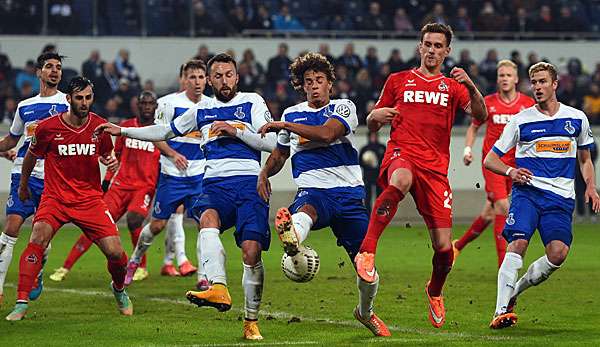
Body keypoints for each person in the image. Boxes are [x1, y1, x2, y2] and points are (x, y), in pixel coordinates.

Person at [95, 53, 277, 340]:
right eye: (217, 75)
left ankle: (250, 320)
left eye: (228, 74)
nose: (223, 80)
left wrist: (236, 131)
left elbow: (271, 142)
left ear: (237, 77)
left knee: (251, 252)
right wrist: (123, 130)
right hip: (215, 183)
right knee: (206, 220)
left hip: (249, 184)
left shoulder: (252, 102)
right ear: (210, 79)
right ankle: (217, 286)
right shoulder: (201, 111)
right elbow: (165, 131)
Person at [353, 23, 487, 328]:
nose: (432, 50)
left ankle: (434, 291)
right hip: (403, 154)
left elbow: (481, 116)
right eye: (427, 44)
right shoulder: (398, 80)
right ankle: (367, 251)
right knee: (400, 180)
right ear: (419, 46)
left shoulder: (453, 87)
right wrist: (374, 116)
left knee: (443, 249)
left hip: (436, 170)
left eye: (438, 46)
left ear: (447, 51)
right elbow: (373, 123)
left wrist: (472, 85)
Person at [257, 52, 390, 337]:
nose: (314, 85)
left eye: (319, 80)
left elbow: (327, 134)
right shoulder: (291, 113)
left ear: (330, 83)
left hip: (349, 195)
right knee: (306, 210)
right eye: (308, 82)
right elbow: (280, 154)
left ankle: (365, 312)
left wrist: (285, 126)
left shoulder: (344, 107)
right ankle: (292, 237)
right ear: (302, 86)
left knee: (366, 267)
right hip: (314, 189)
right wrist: (264, 173)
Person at [5, 77, 133, 321]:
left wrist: (111, 161)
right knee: (37, 237)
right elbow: (31, 157)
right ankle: (21, 303)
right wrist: (23, 186)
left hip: (90, 200)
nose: (84, 103)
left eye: (88, 98)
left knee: (116, 253)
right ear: (69, 99)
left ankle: (119, 289)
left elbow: (107, 155)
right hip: (55, 198)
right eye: (79, 98)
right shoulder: (47, 128)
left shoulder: (100, 127)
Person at [486, 62, 599, 329]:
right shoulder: (521, 120)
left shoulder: (576, 118)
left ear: (555, 84)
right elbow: (491, 160)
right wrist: (511, 172)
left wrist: (591, 186)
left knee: (558, 254)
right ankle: (499, 310)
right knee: (518, 244)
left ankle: (515, 293)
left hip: (560, 200)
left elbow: (585, 159)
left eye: (542, 82)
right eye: (533, 82)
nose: (537, 87)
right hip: (528, 195)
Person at [49, 91, 161, 282]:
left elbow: (163, 162)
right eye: (144, 103)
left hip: (143, 188)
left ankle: (140, 266)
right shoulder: (125, 127)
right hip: (119, 186)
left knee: (134, 221)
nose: (147, 107)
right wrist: (107, 180)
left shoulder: (159, 132)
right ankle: (65, 267)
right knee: (95, 227)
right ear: (138, 105)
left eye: (151, 103)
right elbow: (113, 156)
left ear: (156, 107)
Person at [123, 60, 210, 286]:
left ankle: (203, 278)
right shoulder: (168, 103)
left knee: (206, 226)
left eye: (201, 77)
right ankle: (134, 261)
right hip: (171, 177)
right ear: (184, 79)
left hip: (199, 178)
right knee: (157, 226)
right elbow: (156, 135)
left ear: (207, 79)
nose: (197, 82)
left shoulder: (212, 105)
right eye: (192, 77)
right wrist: (173, 154)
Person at [0, 52, 69, 306]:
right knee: (11, 227)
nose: (54, 71)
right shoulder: (24, 106)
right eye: (49, 66)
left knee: (42, 237)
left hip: (54, 177)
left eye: (58, 67)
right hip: (24, 174)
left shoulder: (69, 103)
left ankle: (38, 269)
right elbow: (11, 141)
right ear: (39, 72)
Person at [453, 60, 535, 268]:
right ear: (497, 79)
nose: (505, 79)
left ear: (516, 79)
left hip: (517, 166)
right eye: (501, 75)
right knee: (503, 207)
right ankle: (504, 268)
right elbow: (473, 127)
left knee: (489, 213)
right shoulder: (487, 102)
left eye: (508, 75)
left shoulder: (527, 104)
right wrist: (467, 149)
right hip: (494, 165)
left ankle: (458, 246)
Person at [359, 131, 387, 213]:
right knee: (368, 197)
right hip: (368, 176)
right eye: (371, 136)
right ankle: (368, 215)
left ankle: (379, 214)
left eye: (375, 136)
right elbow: (360, 162)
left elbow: (386, 161)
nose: (373, 138)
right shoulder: (365, 149)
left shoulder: (382, 147)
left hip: (379, 176)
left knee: (380, 196)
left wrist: (378, 166)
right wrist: (368, 164)